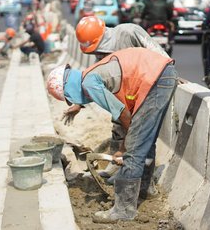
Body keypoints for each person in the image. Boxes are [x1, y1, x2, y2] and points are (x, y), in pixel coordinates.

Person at [46, 47, 178, 223]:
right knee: (145, 139)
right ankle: (145, 189)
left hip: (154, 79)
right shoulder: (91, 75)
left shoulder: (89, 84)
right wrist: (125, 144)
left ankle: (124, 210)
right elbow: (127, 115)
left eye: (70, 98)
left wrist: (124, 148)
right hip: (160, 74)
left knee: (134, 149)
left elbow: (123, 114)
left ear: (68, 91)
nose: (75, 101)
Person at [63, 16, 169, 199]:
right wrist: (79, 104)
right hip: (126, 91)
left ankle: (139, 188)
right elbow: (98, 79)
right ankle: (126, 173)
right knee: (122, 126)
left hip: (147, 85)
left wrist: (170, 72)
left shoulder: (128, 32)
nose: (97, 55)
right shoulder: (101, 51)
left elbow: (157, 53)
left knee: (139, 136)